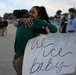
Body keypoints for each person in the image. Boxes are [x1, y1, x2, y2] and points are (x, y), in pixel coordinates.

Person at [13, 6, 57, 75]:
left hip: (23, 57)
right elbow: (15, 22)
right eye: (30, 11)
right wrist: (22, 19)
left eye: (33, 12)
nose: (30, 13)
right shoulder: (24, 20)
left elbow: (54, 29)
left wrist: (45, 31)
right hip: (19, 56)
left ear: (38, 16)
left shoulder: (35, 21)